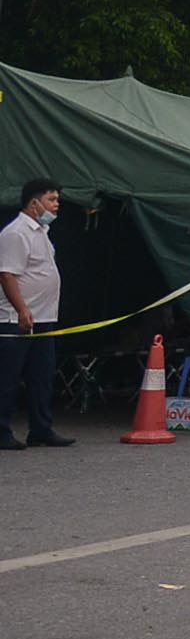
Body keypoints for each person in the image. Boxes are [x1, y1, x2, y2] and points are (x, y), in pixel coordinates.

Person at [0, 179, 75, 449]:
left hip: (43, 318)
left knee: (42, 376)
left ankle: (41, 428)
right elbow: (7, 274)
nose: (56, 205)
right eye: (51, 200)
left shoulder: (41, 231)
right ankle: (2, 432)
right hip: (17, 319)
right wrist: (22, 309)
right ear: (34, 203)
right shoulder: (16, 233)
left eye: (57, 200)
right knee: (8, 378)